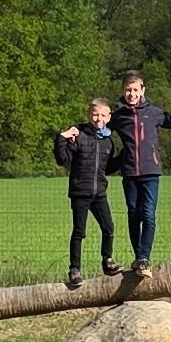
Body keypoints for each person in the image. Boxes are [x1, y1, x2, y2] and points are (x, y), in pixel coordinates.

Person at [99, 66, 171, 277]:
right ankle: (139, 256)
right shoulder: (118, 117)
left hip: (150, 172)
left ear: (143, 90)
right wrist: (75, 133)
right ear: (123, 91)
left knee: (148, 214)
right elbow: (98, 127)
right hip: (129, 173)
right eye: (128, 90)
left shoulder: (154, 113)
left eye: (135, 90)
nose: (132, 94)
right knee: (133, 215)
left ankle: (144, 258)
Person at [51, 96, 119, 285]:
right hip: (80, 192)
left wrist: (124, 157)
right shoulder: (78, 135)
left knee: (108, 227)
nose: (98, 119)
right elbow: (63, 160)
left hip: (99, 194)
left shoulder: (108, 141)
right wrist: (61, 139)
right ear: (89, 115)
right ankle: (75, 270)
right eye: (95, 114)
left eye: (103, 115)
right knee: (79, 231)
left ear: (109, 116)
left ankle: (107, 260)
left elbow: (107, 168)